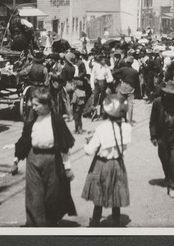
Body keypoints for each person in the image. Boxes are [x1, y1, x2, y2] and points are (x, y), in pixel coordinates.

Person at [13, 87, 76, 227]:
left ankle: (50, 224)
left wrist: (67, 168)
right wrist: (16, 160)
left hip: (52, 161)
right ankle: (34, 226)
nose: (33, 108)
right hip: (33, 160)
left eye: (36, 105)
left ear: (47, 104)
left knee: (52, 196)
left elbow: (65, 146)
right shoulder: (31, 121)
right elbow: (24, 140)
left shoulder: (57, 120)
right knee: (33, 196)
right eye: (32, 104)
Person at [82, 94, 132, 227]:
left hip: (102, 164)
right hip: (118, 163)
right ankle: (116, 221)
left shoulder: (101, 129)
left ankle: (95, 221)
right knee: (116, 193)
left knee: (99, 195)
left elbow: (89, 151)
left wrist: (87, 143)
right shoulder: (127, 128)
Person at [113, 56, 140, 124]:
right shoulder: (135, 72)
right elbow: (137, 83)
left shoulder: (123, 69)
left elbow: (114, 73)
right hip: (131, 87)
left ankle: (123, 118)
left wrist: (120, 78)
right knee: (130, 104)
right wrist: (137, 92)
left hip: (123, 85)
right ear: (132, 63)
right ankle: (130, 121)